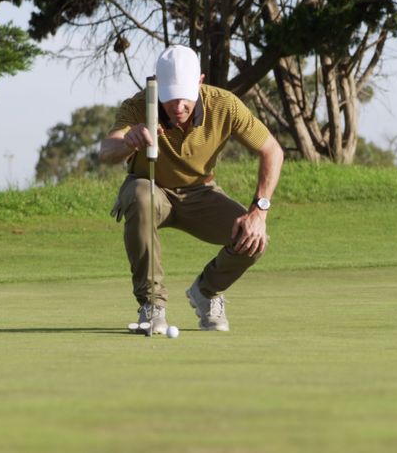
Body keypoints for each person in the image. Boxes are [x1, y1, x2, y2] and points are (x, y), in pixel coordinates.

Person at [99, 45, 284, 334]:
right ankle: (153, 306)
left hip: (200, 193)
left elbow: (272, 150)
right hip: (151, 190)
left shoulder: (224, 104)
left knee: (254, 240)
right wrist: (127, 143)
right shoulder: (138, 106)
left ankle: (206, 292)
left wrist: (258, 212)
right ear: (157, 86)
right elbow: (106, 151)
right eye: (170, 96)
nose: (179, 105)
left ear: (200, 81)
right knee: (140, 196)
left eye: (185, 95)